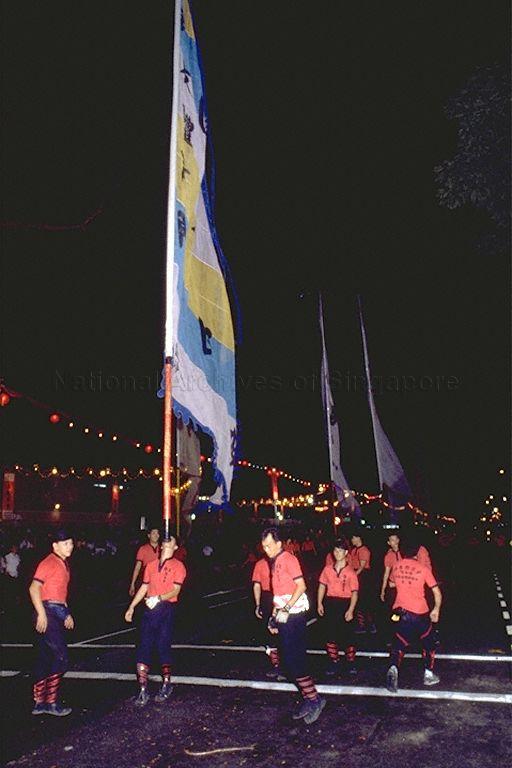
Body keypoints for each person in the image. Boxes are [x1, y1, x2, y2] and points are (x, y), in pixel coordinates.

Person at [261, 527, 325, 725]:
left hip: (294, 615)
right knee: (289, 662)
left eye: (269, 546)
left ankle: (314, 699)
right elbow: (278, 593)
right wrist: (273, 616)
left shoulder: (289, 559)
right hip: (283, 614)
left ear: (279, 544)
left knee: (293, 660)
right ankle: (311, 698)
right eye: (264, 546)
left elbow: (302, 586)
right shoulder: (274, 563)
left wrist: (286, 609)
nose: (266, 550)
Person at [125, 534, 186, 706]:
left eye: (171, 541)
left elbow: (175, 591)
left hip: (166, 608)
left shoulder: (178, 566)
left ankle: (166, 684)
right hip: (150, 610)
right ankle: (143, 690)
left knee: (162, 646)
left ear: (175, 547)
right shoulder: (151, 566)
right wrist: (132, 606)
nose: (167, 543)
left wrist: (158, 598)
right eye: (165, 541)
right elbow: (144, 586)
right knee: (143, 646)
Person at [385, 539, 442, 692]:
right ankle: (428, 674)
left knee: (399, 643)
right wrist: (436, 609)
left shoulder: (396, 566)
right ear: (416, 553)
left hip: (400, 611)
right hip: (419, 612)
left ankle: (393, 668)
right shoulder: (423, 569)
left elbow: (391, 584)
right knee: (428, 642)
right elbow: (436, 591)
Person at [28, 529, 75, 716]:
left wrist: (66, 613)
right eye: (66, 544)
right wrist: (41, 614)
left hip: (55, 611)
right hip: (47, 612)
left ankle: (40, 703)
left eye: (71, 543)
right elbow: (33, 588)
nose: (70, 546)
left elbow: (59, 593)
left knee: (45, 657)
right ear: (55, 546)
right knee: (61, 657)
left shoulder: (63, 563)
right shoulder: (48, 563)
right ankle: (51, 703)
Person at [318, 539, 359, 676]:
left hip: (345, 604)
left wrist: (351, 610)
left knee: (347, 635)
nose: (337, 553)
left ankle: (351, 662)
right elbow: (322, 586)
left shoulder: (350, 572)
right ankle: (334, 662)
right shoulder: (327, 569)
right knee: (330, 634)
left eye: (340, 551)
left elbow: (354, 593)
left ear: (346, 552)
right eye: (335, 550)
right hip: (331, 603)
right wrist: (319, 603)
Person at [251, 554, 284, 679]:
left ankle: (287, 664)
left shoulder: (283, 561)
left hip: (281, 596)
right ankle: (276, 665)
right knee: (270, 633)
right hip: (267, 598)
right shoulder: (259, 564)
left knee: (283, 630)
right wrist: (258, 604)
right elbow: (257, 585)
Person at [349, 533, 376, 633]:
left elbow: (362, 566)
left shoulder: (364, 550)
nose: (352, 540)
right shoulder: (354, 550)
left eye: (353, 537)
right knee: (358, 602)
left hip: (363, 576)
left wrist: (353, 576)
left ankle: (371, 624)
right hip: (356, 575)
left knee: (365, 601)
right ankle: (362, 624)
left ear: (358, 538)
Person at [129, 527, 160, 596]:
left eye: (157, 533)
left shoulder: (163, 548)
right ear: (149, 536)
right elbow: (137, 567)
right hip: (147, 579)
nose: (156, 535)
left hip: (160, 579)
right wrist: (132, 584)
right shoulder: (143, 549)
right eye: (153, 533)